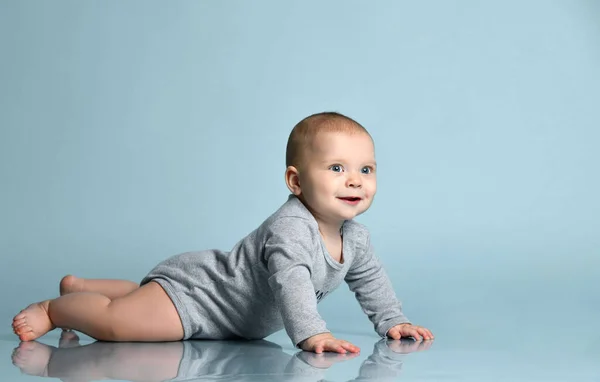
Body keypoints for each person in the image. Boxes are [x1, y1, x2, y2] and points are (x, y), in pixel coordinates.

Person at [12, 112, 434, 354]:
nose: (356, 181)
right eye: (337, 169)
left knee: (140, 302)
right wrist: (313, 333)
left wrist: (392, 320)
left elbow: (371, 281)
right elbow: (292, 284)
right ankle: (57, 308)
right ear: (296, 181)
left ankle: (85, 286)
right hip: (201, 300)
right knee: (119, 324)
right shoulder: (291, 230)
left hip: (228, 318)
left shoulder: (355, 239)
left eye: (366, 169)